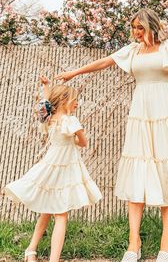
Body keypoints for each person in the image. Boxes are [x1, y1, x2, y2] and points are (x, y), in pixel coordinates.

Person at [55, 8, 168, 262]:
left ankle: (167, 243)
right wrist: (73, 73)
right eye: (133, 27)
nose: (135, 32)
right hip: (141, 113)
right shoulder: (132, 50)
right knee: (138, 172)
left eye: (140, 28)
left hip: (167, 112)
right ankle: (134, 242)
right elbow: (104, 62)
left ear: (152, 27)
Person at [4, 76, 102, 262]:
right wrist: (74, 139)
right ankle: (53, 259)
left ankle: (31, 250)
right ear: (64, 101)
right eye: (74, 100)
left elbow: (46, 103)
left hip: (50, 165)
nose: (77, 103)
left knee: (47, 210)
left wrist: (47, 87)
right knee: (61, 215)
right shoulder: (71, 121)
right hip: (65, 169)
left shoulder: (48, 118)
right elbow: (84, 143)